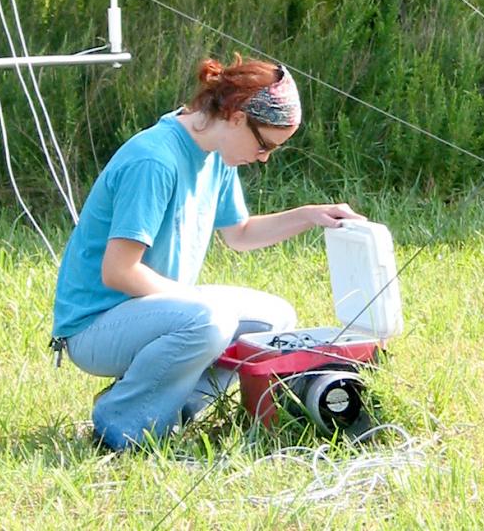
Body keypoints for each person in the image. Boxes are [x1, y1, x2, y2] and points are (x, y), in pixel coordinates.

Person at [52, 53, 358, 450]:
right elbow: (119, 273)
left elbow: (241, 234)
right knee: (210, 320)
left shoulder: (217, 157)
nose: (263, 158)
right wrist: (198, 303)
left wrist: (312, 216)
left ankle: (171, 414)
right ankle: (121, 428)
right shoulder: (154, 160)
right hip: (94, 327)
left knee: (273, 319)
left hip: (151, 311)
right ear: (235, 115)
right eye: (264, 144)